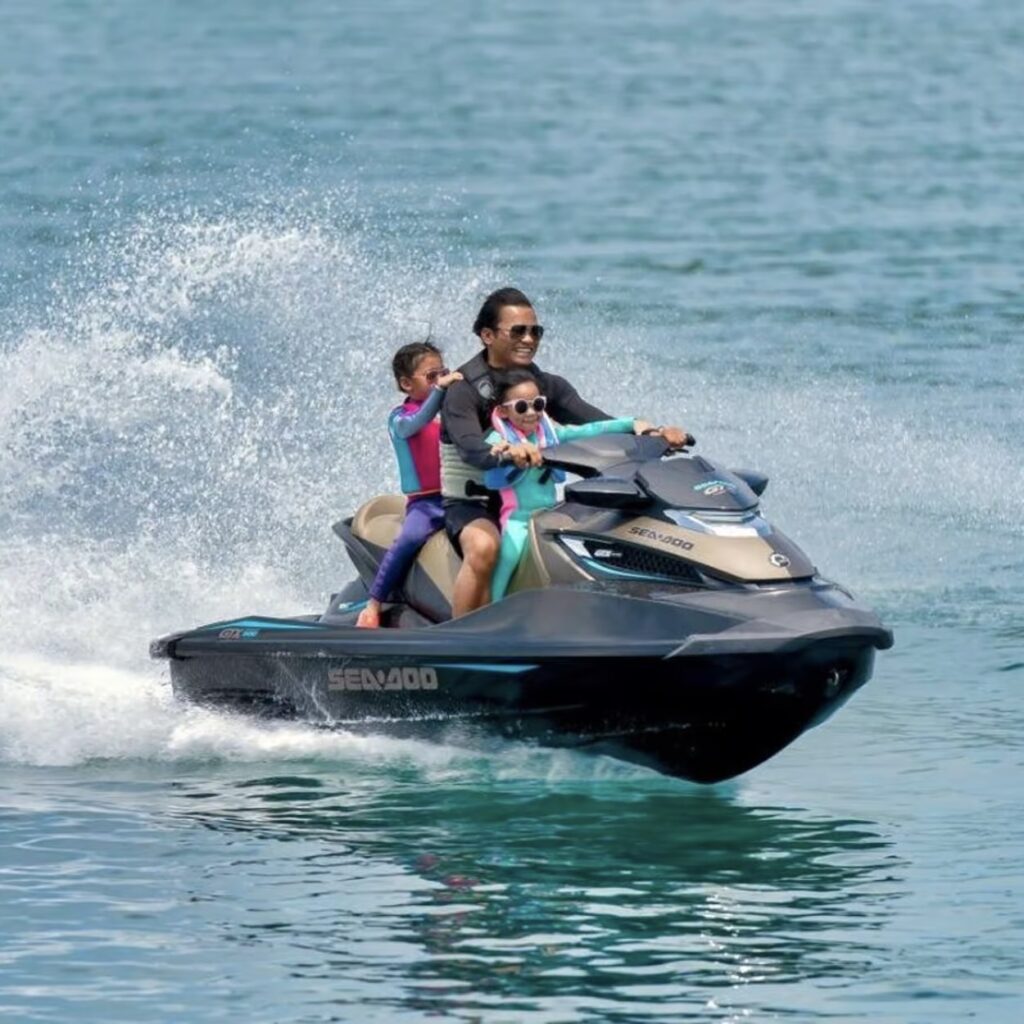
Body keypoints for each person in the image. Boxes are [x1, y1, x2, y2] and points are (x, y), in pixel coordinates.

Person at [440, 286, 690, 618]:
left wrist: (650, 433)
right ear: (487, 335)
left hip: (529, 498)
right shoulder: (464, 390)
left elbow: (592, 423)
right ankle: (464, 633)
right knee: (485, 548)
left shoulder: (543, 386)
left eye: (535, 331)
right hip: (474, 504)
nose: (529, 339)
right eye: (518, 331)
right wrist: (508, 451)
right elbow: (470, 447)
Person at [483, 369, 640, 600]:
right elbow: (489, 463)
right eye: (521, 407)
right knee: (509, 556)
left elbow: (590, 429)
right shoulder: (499, 440)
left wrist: (632, 424)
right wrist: (507, 453)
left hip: (550, 514)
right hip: (518, 520)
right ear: (504, 411)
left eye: (537, 404)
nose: (531, 413)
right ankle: (493, 609)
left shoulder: (551, 436)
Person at [356, 341, 462, 628]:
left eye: (443, 373)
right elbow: (416, 422)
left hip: (459, 496)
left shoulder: (448, 414)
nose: (440, 380)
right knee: (409, 539)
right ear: (406, 383)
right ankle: (373, 603)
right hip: (426, 504)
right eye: (431, 376)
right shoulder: (400, 418)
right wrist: (440, 391)